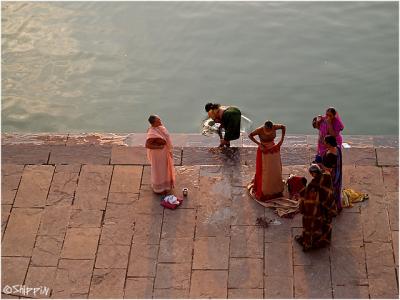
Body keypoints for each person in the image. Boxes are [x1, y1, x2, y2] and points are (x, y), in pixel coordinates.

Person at [295, 164, 337, 251]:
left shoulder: (310, 189)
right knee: (324, 225)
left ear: (313, 174)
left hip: (316, 211)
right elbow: (329, 193)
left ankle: (308, 244)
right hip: (326, 208)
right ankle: (323, 240)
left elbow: (304, 206)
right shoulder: (327, 177)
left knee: (312, 227)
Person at [247, 120, 286, 201]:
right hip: (263, 150)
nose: (269, 130)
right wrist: (259, 144)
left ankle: (276, 188)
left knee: (275, 168)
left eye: (270, 129)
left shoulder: (275, 126)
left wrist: (282, 139)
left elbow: (283, 127)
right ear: (265, 127)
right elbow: (250, 135)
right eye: (267, 129)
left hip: (274, 149)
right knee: (265, 170)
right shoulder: (260, 130)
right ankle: (265, 189)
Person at [145, 115, 175, 194]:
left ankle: (166, 186)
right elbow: (147, 145)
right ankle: (159, 189)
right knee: (158, 171)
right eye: (158, 121)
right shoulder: (152, 132)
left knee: (164, 169)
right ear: (153, 123)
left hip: (163, 153)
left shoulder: (160, 128)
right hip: (157, 155)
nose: (160, 122)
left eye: (160, 120)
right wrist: (159, 147)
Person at [320, 135, 343, 213]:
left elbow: (329, 169)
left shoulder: (331, 156)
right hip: (336, 174)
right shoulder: (337, 148)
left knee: (327, 191)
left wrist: (320, 165)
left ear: (329, 144)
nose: (324, 143)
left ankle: (329, 207)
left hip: (330, 176)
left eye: (325, 142)